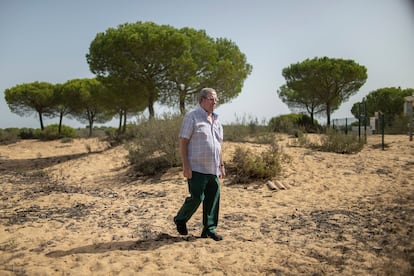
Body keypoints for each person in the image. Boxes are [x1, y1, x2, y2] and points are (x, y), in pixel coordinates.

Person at [173, 87, 225, 241]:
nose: (214, 102)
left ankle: (209, 229)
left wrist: (221, 166)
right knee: (197, 197)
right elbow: (183, 141)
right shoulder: (192, 117)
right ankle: (181, 219)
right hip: (196, 167)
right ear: (201, 100)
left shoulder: (217, 121)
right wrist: (185, 165)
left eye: (216, 99)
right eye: (211, 99)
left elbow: (219, 145)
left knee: (213, 198)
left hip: (213, 168)